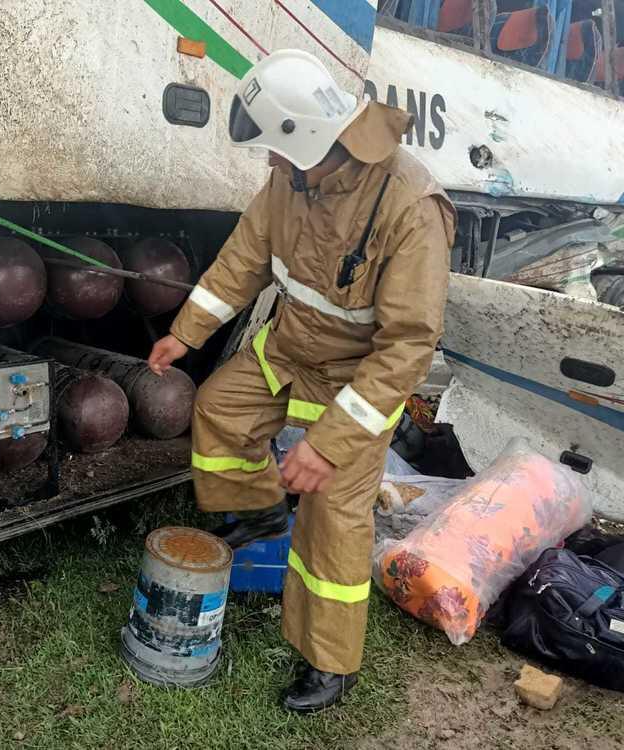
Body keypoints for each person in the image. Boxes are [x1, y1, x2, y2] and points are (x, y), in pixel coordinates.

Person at [148, 49, 455, 713]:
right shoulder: (293, 178)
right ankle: (261, 509)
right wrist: (186, 333)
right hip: (287, 349)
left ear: (307, 138)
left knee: (332, 520)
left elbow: (407, 347)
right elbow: (243, 258)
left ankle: (329, 663)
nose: (268, 162)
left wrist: (329, 445)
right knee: (220, 410)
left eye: (274, 149)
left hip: (355, 381)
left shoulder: (410, 207)